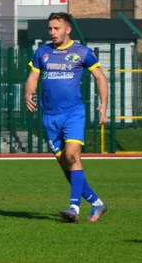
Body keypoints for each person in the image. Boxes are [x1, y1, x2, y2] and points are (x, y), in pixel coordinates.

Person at [24, 12, 110, 223]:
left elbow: (100, 77)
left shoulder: (82, 52)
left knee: (73, 156)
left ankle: (74, 208)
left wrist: (103, 104)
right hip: (49, 116)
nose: (52, 33)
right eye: (50, 29)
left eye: (56, 28)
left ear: (68, 29)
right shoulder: (42, 52)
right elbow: (33, 76)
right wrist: (28, 93)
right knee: (66, 167)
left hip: (73, 113)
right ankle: (97, 203)